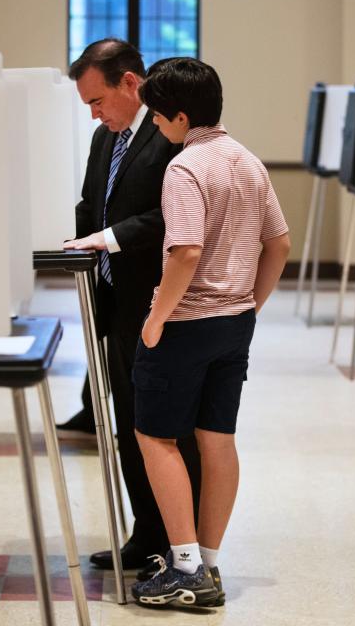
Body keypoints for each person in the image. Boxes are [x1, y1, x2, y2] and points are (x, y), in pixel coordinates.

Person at [129, 57, 291, 607]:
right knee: (217, 440)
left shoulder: (186, 167)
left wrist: (155, 320)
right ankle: (211, 566)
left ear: (180, 116)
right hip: (235, 323)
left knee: (156, 437)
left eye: (156, 114)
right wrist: (250, 305)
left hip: (186, 322)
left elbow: (185, 251)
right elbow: (280, 244)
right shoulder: (247, 161)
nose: (152, 124)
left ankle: (185, 567)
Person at [62, 39, 202, 574]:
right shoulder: (105, 139)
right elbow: (89, 207)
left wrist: (108, 238)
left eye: (97, 100)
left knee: (165, 429)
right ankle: (145, 535)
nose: (93, 113)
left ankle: (177, 543)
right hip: (117, 303)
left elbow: (173, 219)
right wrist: (66, 243)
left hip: (160, 305)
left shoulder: (170, 136)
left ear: (130, 83)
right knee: (127, 425)